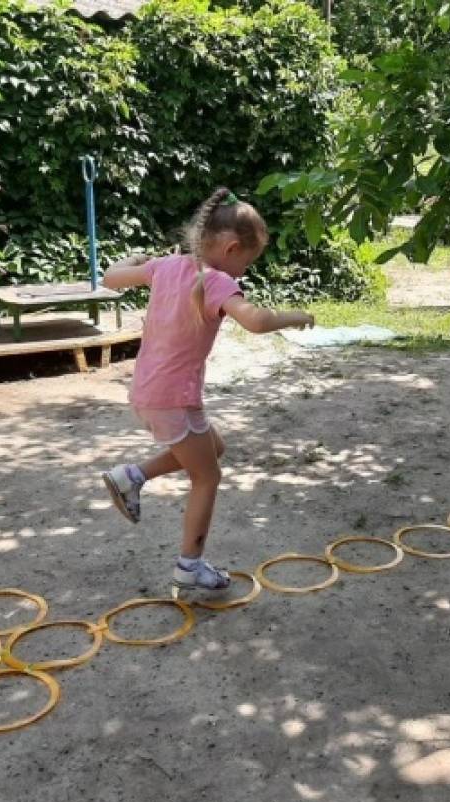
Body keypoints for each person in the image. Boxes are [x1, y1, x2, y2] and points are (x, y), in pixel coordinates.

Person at [99, 187, 315, 594]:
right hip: (172, 399)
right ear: (231, 248)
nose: (244, 273)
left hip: (154, 391)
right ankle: (189, 565)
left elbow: (111, 278)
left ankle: (131, 476)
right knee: (208, 476)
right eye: (246, 263)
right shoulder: (215, 281)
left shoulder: (165, 266)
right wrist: (295, 316)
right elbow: (255, 320)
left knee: (214, 448)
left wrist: (135, 260)